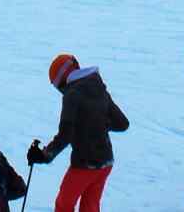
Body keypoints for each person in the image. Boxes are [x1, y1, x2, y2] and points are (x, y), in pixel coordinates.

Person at [29, 53, 130, 212]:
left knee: (64, 205)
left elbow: (65, 135)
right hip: (105, 162)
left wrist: (44, 155)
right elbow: (122, 123)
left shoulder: (72, 95)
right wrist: (97, 124)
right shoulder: (98, 85)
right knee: (90, 206)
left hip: (84, 164)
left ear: (62, 80)